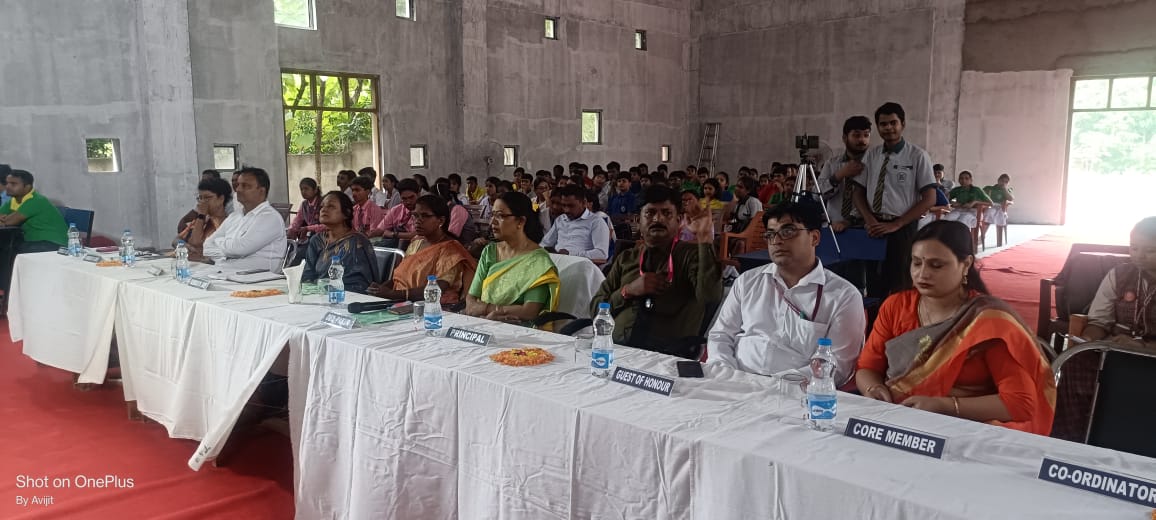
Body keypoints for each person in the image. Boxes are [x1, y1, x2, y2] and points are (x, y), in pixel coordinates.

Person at [855, 220, 1056, 435]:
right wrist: (873, 389)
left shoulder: (987, 321)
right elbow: (867, 368)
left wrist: (946, 406)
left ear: (966, 264)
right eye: (916, 263)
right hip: (897, 420)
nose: (922, 274)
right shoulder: (896, 306)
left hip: (965, 431)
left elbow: (1020, 402)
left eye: (936, 265)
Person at [707, 202, 866, 382]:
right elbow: (721, 335)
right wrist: (727, 374)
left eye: (788, 232)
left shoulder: (843, 296)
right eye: (770, 234)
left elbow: (837, 365)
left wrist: (774, 385)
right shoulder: (747, 282)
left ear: (814, 238)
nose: (777, 241)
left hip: (795, 392)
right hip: (734, 382)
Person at [1052, 217, 1156, 441]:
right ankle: (1071, 439)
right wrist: (1090, 340)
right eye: (1134, 248)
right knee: (1075, 362)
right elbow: (1099, 321)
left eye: (1149, 250)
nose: (1139, 255)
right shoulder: (1119, 275)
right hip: (1116, 351)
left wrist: (1143, 347)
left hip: (1152, 354)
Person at [593, 185, 722, 352]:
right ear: (638, 221)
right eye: (650, 213)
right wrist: (627, 291)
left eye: (667, 213)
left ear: (679, 221)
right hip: (614, 349)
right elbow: (595, 309)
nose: (658, 219)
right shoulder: (626, 258)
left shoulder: (692, 256)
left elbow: (710, 297)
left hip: (665, 356)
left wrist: (705, 238)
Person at [851, 102, 938, 298]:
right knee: (874, 282)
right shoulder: (871, 155)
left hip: (903, 228)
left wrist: (897, 224)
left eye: (893, 123)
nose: (888, 128)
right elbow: (857, 192)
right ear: (878, 127)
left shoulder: (917, 156)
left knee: (901, 282)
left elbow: (930, 198)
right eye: (883, 124)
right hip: (874, 227)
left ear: (903, 124)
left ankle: (899, 317)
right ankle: (876, 317)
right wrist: (870, 220)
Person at [465, 192, 560, 325]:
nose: (492, 222)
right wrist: (481, 310)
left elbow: (529, 311)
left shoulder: (539, 261)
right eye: (492, 215)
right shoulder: (490, 251)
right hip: (482, 323)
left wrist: (487, 309)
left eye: (500, 216)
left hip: (517, 327)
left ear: (520, 221)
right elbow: (471, 298)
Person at [367, 195, 478, 305]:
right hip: (401, 302)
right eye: (415, 215)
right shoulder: (416, 243)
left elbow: (437, 288)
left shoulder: (450, 249)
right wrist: (379, 289)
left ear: (441, 220)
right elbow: (400, 278)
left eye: (425, 216)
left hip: (434, 307)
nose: (418, 221)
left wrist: (393, 294)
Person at [202, 167, 287, 273]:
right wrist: (227, 252)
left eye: (245, 186)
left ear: (261, 191)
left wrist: (219, 242)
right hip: (226, 272)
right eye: (238, 185)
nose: (238, 189)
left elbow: (240, 249)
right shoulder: (234, 216)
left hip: (260, 279)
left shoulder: (270, 217)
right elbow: (207, 246)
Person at [300, 191, 377, 294]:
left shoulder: (356, 243)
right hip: (317, 295)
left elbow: (359, 284)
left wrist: (325, 289)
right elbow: (307, 275)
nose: (324, 210)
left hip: (347, 297)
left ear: (346, 213)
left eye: (331, 206)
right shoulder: (317, 240)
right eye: (322, 206)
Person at [819, 116, 872, 233]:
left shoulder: (874, 164)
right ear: (844, 138)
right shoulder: (831, 164)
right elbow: (817, 195)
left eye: (866, 135)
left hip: (864, 229)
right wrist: (839, 175)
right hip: (833, 228)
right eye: (856, 135)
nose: (862, 140)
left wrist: (849, 221)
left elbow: (874, 200)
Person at [0, 170, 67, 253]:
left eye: (13, 184)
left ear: (27, 187)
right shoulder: (13, 201)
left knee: (10, 250)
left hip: (54, 243)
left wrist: (5, 220)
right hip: (34, 242)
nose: (8, 187)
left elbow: (9, 222)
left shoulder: (36, 200)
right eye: (7, 183)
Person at [540, 184, 610, 262]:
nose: (566, 210)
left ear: (584, 203)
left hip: (580, 264)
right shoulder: (560, 219)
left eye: (571, 206)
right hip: (556, 262)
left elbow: (602, 254)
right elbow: (545, 243)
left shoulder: (596, 222)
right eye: (563, 205)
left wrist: (570, 254)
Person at [176, 177, 232, 262]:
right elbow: (177, 239)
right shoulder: (203, 219)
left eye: (207, 198)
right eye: (200, 198)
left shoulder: (226, 222)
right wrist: (185, 245)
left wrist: (201, 215)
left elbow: (195, 242)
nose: (202, 202)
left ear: (221, 199)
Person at [368, 179, 420, 245]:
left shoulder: (425, 211)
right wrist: (365, 237)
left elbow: (416, 234)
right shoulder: (396, 210)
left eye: (411, 197)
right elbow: (380, 229)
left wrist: (393, 234)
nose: (408, 202)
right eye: (404, 198)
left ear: (418, 194)